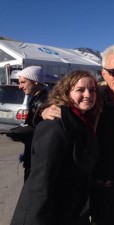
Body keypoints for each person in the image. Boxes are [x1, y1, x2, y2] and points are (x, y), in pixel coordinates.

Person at [40, 45, 114, 225]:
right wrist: (43, 111)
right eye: (113, 71)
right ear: (104, 73)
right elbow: (65, 104)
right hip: (97, 191)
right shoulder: (91, 96)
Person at [10, 70, 101, 225]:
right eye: (80, 90)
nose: (88, 95)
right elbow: (40, 183)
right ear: (66, 93)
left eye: (92, 90)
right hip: (53, 215)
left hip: (72, 211)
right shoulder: (55, 126)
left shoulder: (84, 120)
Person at [8, 66, 48, 181]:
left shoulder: (43, 101)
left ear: (36, 81)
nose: (20, 86)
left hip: (37, 158)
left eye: (23, 82)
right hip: (32, 153)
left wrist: (19, 134)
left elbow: (41, 130)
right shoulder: (35, 98)